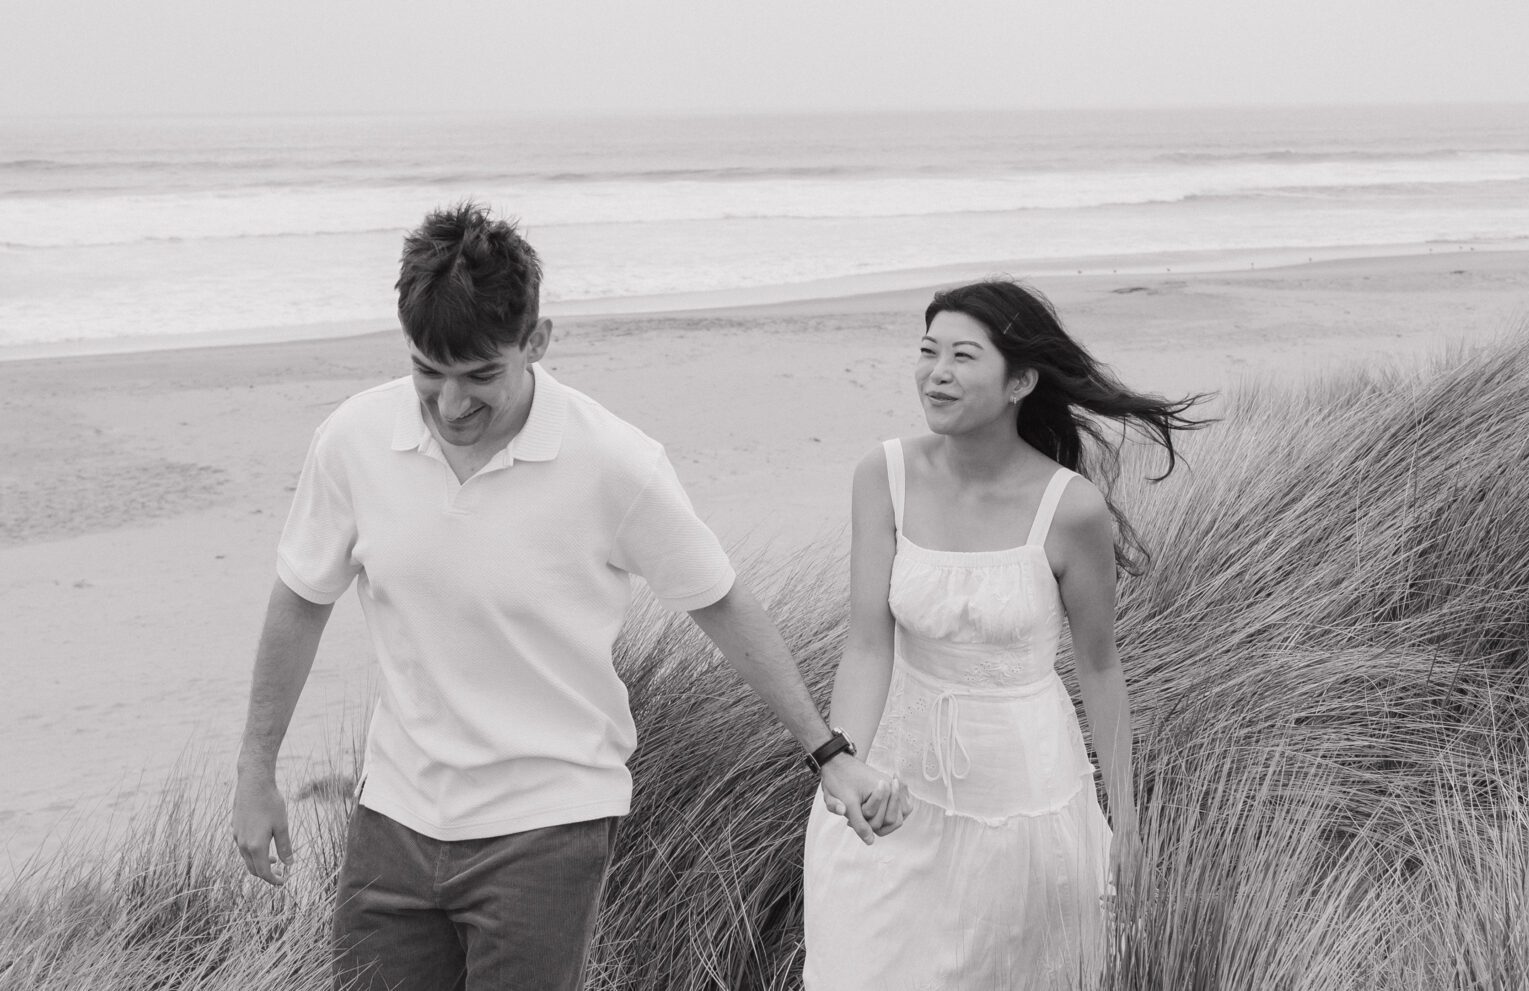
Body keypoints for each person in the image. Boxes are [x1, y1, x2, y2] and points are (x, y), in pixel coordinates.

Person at [231, 201, 904, 991]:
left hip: (546, 825)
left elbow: (721, 603)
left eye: (481, 373)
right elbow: (301, 600)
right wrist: (255, 769)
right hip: (395, 818)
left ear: (538, 342)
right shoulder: (352, 439)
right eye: (427, 370)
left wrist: (828, 754)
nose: (451, 404)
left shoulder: (614, 462)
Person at [803, 278, 1206, 989]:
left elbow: (1099, 666)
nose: (937, 372)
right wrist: (848, 766)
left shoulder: (1071, 510)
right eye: (928, 352)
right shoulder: (884, 474)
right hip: (894, 786)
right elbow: (867, 641)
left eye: (963, 356)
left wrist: (1128, 825)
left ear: (1021, 379)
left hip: (1022, 798)